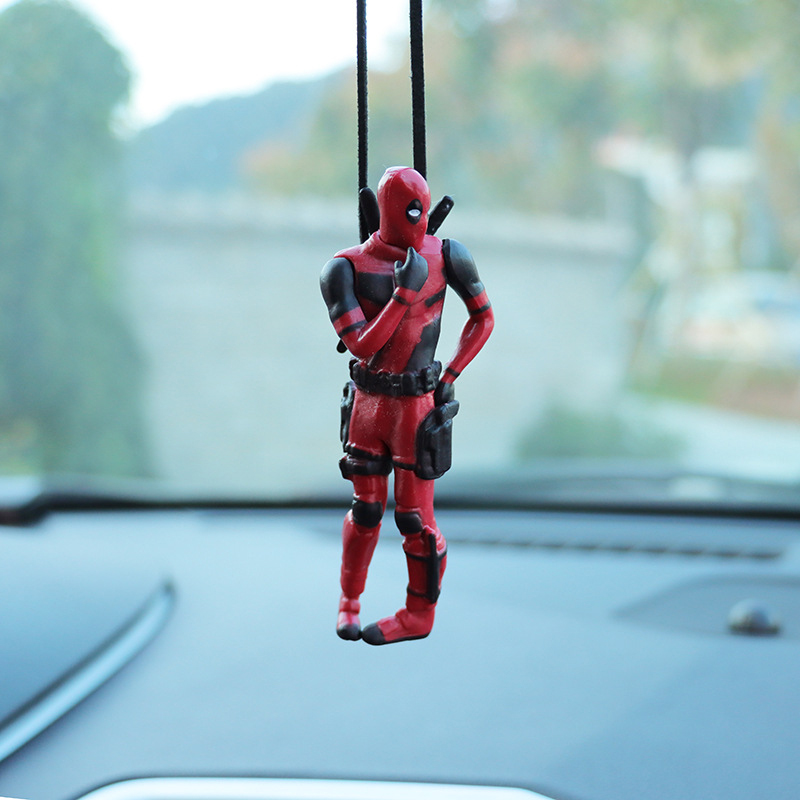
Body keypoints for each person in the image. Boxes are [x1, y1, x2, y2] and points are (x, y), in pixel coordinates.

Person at [320, 166, 494, 645]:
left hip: (416, 408)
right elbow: (361, 344)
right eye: (409, 211)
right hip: (369, 404)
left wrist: (450, 375)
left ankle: (419, 614)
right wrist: (402, 295)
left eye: (422, 211)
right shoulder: (345, 268)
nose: (417, 222)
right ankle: (349, 602)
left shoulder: (449, 255)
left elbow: (483, 318)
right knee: (366, 509)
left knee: (415, 519)